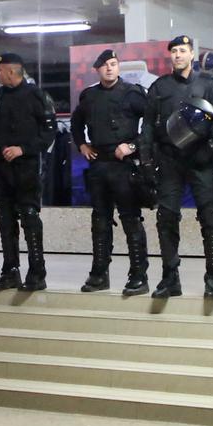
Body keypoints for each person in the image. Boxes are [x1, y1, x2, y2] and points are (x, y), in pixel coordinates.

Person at [140, 34, 213, 299]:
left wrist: (211, 148)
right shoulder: (159, 88)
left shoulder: (209, 85)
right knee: (166, 219)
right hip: (169, 160)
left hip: (201, 160)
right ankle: (170, 279)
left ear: (192, 54)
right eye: (174, 51)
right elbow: (147, 126)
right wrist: (146, 160)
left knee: (210, 218)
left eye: (182, 50)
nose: (178, 55)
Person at [70, 49, 149, 295]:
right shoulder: (90, 96)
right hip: (98, 165)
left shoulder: (132, 93)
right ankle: (99, 275)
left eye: (114, 64)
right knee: (100, 222)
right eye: (105, 65)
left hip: (124, 166)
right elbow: (76, 123)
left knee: (131, 221)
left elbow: (151, 125)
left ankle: (138, 275)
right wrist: (81, 144)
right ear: (98, 69)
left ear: (118, 67)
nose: (110, 69)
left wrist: (133, 146)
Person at [0, 52, 57, 292]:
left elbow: (48, 134)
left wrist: (23, 149)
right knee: (6, 218)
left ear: (12, 71)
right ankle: (10, 271)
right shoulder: (2, 95)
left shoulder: (36, 95)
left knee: (29, 217)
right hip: (3, 168)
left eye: (0, 70)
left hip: (27, 166)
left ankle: (37, 273)